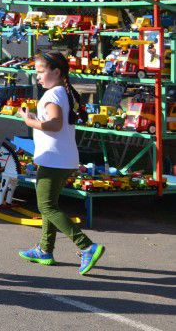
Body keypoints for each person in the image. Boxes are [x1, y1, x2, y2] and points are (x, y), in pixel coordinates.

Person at [17, 52, 105, 275]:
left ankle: (86, 246)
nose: (37, 76)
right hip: (61, 157)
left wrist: (29, 121)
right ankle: (45, 249)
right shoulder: (62, 93)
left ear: (56, 72)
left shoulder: (53, 95)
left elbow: (55, 124)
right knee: (50, 204)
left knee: (46, 206)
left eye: (40, 71)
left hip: (54, 158)